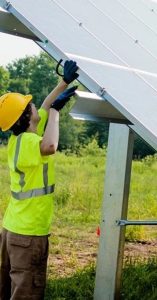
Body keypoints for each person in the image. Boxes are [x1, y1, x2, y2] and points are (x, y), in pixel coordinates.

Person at [0, 60, 79, 299]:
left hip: (13, 229)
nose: (35, 106)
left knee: (6, 290)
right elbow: (51, 145)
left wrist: (63, 82)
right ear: (26, 118)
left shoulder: (20, 139)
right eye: (29, 106)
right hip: (29, 235)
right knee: (26, 292)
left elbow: (45, 106)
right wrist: (56, 112)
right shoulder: (30, 143)